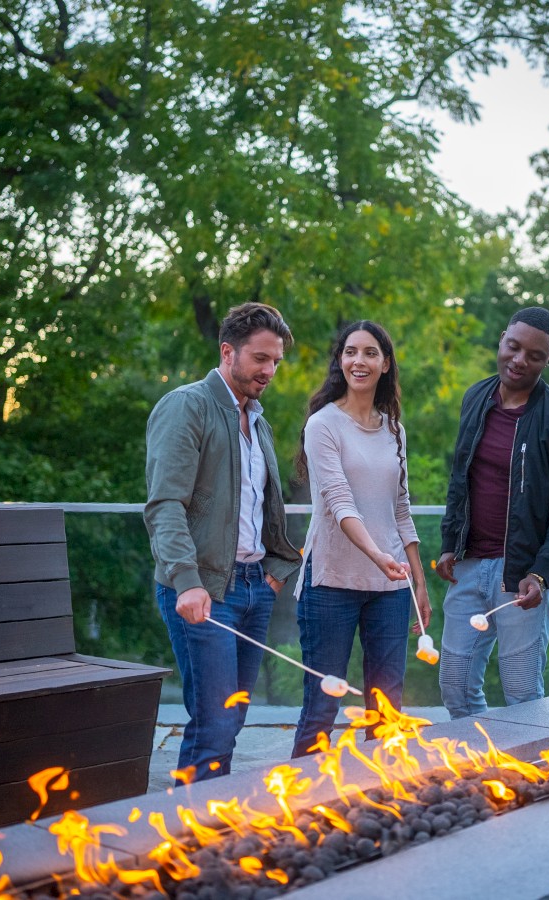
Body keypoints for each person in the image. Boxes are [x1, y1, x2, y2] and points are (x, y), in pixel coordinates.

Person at [144, 302, 303, 782]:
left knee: (230, 721)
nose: (270, 370)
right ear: (227, 351)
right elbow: (164, 505)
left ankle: (208, 825)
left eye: (276, 361)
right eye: (260, 358)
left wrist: (276, 573)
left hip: (255, 588)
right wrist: (188, 582)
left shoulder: (258, 421)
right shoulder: (187, 405)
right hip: (204, 590)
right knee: (213, 723)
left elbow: (263, 510)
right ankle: (187, 839)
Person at [436, 306, 549, 719]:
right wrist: (450, 543)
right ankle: (482, 772)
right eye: (513, 347)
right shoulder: (476, 398)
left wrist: (540, 573)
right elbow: (460, 479)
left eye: (534, 356)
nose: (520, 360)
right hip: (469, 565)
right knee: (456, 688)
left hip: (524, 576)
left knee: (522, 696)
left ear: (548, 360)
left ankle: (528, 773)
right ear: (502, 339)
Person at [290, 321, 430, 756]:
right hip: (331, 582)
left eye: (370, 353)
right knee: (321, 710)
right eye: (351, 352)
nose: (359, 361)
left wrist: (418, 582)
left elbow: (400, 510)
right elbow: (338, 502)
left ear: (385, 364)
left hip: (390, 586)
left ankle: (381, 807)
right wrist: (376, 554)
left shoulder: (394, 430)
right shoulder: (323, 425)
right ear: (340, 361)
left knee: (386, 713)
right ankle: (299, 812)